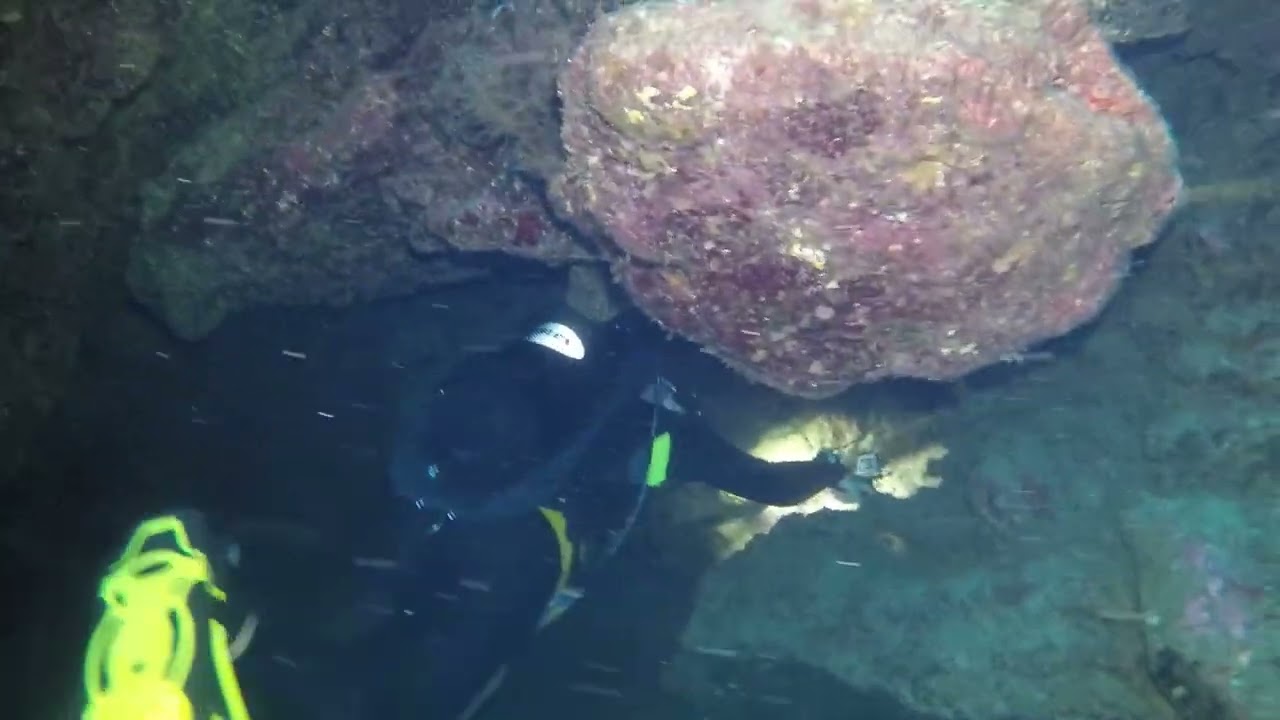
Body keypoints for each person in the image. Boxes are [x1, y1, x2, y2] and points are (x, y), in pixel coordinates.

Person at [77, 309, 853, 720]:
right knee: (421, 702)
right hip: (520, 556)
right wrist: (835, 466)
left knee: (369, 642)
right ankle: (208, 685)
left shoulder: (526, 377)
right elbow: (767, 486)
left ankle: (220, 625)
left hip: (423, 518)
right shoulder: (650, 420)